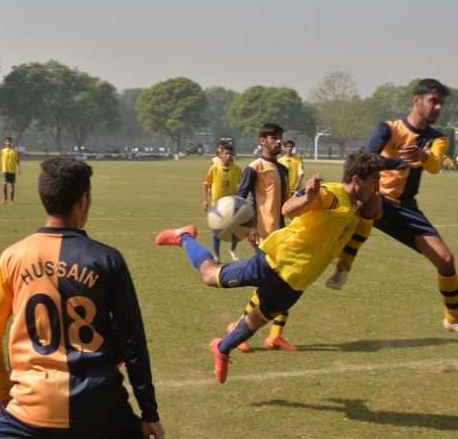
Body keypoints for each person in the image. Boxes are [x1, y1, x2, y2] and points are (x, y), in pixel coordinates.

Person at [156, 148, 383, 383]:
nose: (377, 187)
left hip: (297, 284)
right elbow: (288, 208)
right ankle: (184, 237)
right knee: (210, 276)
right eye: (375, 180)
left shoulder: (356, 209)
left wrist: (342, 269)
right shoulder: (332, 195)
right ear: (357, 180)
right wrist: (308, 198)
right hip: (273, 264)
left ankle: (222, 349)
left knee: (255, 322)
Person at [0, 156, 165, 439]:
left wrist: (3, 391)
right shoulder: (108, 259)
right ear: (84, 200)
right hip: (101, 409)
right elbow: (133, 342)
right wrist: (149, 413)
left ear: (44, 197)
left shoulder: (11, 257)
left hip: (29, 411)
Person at [325, 79, 458, 333]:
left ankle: (452, 318)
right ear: (416, 100)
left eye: (441, 103)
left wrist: (422, 156)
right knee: (372, 200)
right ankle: (343, 267)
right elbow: (367, 159)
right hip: (375, 198)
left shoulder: (438, 138)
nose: (439, 107)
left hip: (405, 207)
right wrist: (399, 163)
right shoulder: (388, 128)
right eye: (434, 101)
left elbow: (434, 166)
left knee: (446, 260)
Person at [232, 123, 294, 352]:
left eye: (280, 137)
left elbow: (285, 204)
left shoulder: (283, 169)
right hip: (260, 235)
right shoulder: (254, 167)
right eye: (273, 138)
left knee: (289, 282)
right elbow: (240, 199)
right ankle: (238, 329)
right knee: (273, 284)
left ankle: (275, 336)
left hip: (280, 235)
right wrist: (249, 226)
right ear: (262, 141)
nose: (278, 141)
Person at [203, 143, 243, 262]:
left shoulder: (236, 169)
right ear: (221, 155)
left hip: (232, 204)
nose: (228, 156)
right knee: (217, 230)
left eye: (230, 154)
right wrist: (205, 200)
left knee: (236, 228)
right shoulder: (215, 168)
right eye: (226, 153)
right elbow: (206, 183)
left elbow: (242, 184)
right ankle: (216, 255)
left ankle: (233, 250)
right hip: (217, 205)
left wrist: (240, 199)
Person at [0, 137, 21, 204]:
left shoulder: (14, 151)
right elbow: (1, 161)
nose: (8, 142)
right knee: (4, 183)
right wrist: (0, 170)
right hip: (5, 169)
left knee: (12, 185)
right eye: (7, 141)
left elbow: (17, 161)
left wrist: (18, 169)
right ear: (5, 142)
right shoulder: (2, 151)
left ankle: (11, 200)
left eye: (9, 141)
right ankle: (5, 197)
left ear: (11, 142)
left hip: (12, 170)